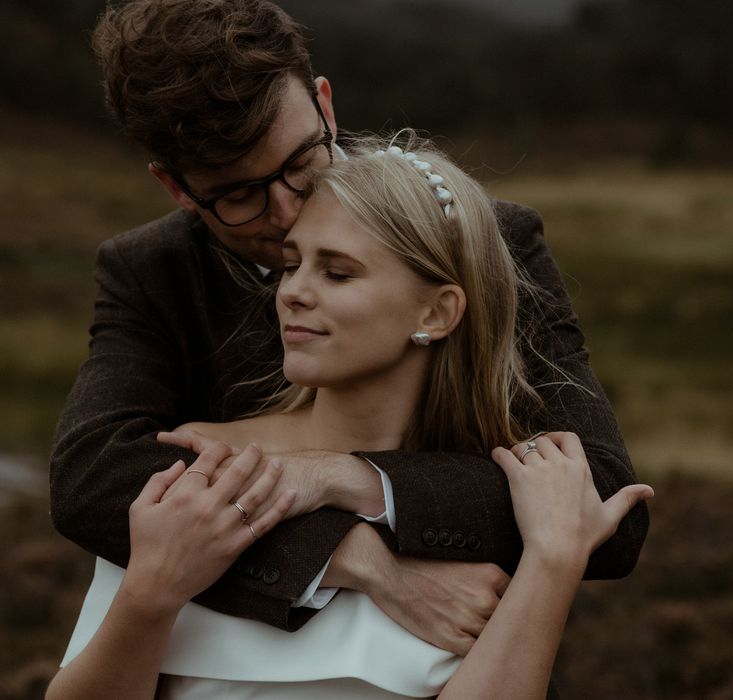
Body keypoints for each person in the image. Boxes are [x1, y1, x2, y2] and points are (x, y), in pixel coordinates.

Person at [49, 0, 648, 654]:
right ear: (175, 186)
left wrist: (353, 480)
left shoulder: (481, 237)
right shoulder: (151, 271)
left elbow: (608, 502)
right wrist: (352, 555)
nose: (287, 209)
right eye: (239, 194)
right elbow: (93, 479)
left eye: (302, 160)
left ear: (324, 104)